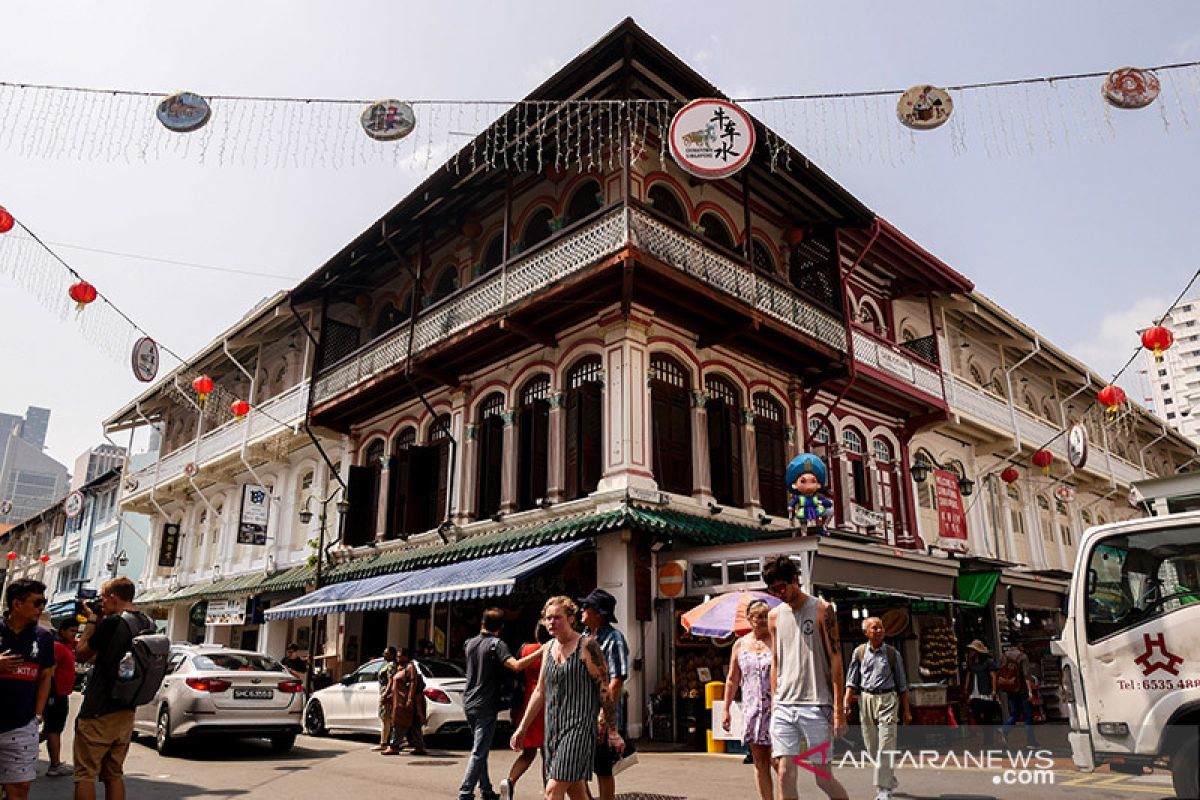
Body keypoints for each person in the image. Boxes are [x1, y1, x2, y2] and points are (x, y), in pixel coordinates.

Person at [510, 597, 622, 800]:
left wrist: (612, 731)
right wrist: (522, 728)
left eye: (558, 618)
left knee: (553, 790)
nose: (552, 622)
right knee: (576, 792)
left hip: (579, 729)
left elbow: (604, 691)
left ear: (571, 619)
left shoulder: (588, 647)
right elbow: (540, 692)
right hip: (552, 730)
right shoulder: (547, 648)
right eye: (548, 618)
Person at [763, 555, 848, 800]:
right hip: (784, 705)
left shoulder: (823, 610)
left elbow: (836, 660)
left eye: (781, 587)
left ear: (795, 580)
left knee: (822, 776)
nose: (778, 593)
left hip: (816, 704)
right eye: (773, 590)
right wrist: (774, 703)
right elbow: (776, 662)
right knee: (784, 773)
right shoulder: (774, 616)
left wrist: (839, 710)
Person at [74, 576, 154, 800]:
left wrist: (91, 621)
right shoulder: (147, 623)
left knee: (85, 774)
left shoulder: (113, 622)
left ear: (113, 597)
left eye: (102, 598)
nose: (101, 603)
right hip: (127, 709)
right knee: (114, 774)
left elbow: (81, 653)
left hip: (99, 708)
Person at [458, 608, 543, 800]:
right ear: (501, 627)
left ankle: (486, 790)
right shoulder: (497, 645)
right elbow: (516, 666)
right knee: (479, 751)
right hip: (486, 703)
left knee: (480, 748)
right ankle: (465, 793)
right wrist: (541, 651)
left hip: (469, 701)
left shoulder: (470, 643)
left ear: (482, 623)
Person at [843, 616, 911, 800]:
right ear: (866, 632)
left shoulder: (892, 654)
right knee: (871, 746)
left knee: (886, 743)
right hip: (866, 699)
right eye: (874, 628)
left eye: (881, 627)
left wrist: (906, 710)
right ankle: (888, 777)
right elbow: (852, 680)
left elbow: (902, 684)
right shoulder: (859, 652)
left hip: (888, 699)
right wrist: (846, 702)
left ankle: (883, 788)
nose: (879, 630)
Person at [0, 578, 56, 800]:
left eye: (44, 602)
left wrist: (38, 714)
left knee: (20, 787)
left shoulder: (43, 638)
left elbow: (45, 677)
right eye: (37, 603)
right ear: (16, 604)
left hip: (22, 726)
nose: (42, 608)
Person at [577, 589, 629, 800]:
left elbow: (617, 681)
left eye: (586, 607)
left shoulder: (614, 639)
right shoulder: (583, 637)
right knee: (578, 766)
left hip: (602, 712)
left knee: (602, 767)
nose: (582, 610)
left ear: (598, 613)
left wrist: (603, 717)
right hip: (582, 711)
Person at [721, 599, 774, 800]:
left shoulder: (777, 641)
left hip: (776, 709)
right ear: (750, 619)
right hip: (752, 710)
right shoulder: (740, 645)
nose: (763, 620)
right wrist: (726, 709)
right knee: (760, 761)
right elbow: (733, 679)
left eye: (766, 616)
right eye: (758, 616)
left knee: (779, 762)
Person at [500, 620, 551, 800]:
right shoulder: (553, 649)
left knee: (528, 751)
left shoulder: (525, 649)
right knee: (548, 752)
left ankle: (510, 781)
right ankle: (549, 792)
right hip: (545, 702)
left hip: (526, 702)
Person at [44, 617, 80, 777]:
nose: (74, 634)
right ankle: (55, 764)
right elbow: (50, 671)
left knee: (51, 729)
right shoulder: (57, 647)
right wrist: (50, 694)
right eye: (71, 631)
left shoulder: (68, 645)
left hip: (61, 694)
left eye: (75, 631)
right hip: (55, 694)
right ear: (62, 631)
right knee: (54, 730)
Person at [383, 648, 426, 756]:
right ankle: (419, 746)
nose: (398, 658)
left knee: (399, 725)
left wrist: (410, 699)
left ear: (406, 657)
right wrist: (389, 696)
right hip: (398, 701)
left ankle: (394, 746)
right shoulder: (399, 669)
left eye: (400, 656)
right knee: (412, 726)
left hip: (404, 702)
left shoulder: (410, 667)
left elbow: (413, 683)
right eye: (397, 656)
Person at [998, 642, 1038, 750]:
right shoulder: (1022, 657)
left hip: (1010, 689)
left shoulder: (1004, 656)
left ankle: (1005, 729)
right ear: (1020, 646)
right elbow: (1026, 675)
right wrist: (1030, 691)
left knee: (1014, 713)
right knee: (1028, 716)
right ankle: (1031, 741)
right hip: (1022, 690)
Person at [963, 640, 1001, 749]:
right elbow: (969, 675)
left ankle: (988, 739)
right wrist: (966, 688)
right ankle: (986, 732)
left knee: (987, 716)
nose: (971, 652)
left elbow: (993, 676)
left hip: (985, 691)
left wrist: (994, 690)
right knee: (975, 713)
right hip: (974, 692)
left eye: (973, 650)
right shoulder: (972, 664)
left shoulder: (988, 662)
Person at [375, 647, 399, 752]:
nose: (384, 655)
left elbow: (391, 680)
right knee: (386, 718)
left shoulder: (391, 665)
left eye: (387, 653)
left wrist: (386, 693)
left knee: (386, 718)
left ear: (392, 655)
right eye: (384, 653)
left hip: (387, 693)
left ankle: (384, 742)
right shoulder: (388, 664)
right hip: (385, 692)